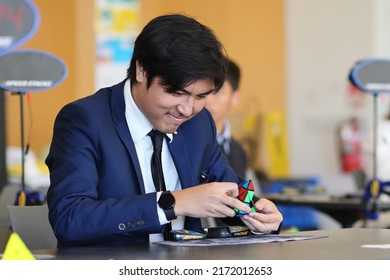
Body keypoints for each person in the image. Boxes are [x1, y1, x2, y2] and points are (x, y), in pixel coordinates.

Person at [45, 14, 283, 247]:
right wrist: (171, 203)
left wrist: (258, 210)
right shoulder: (85, 120)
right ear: (141, 70)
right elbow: (70, 219)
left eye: (200, 96)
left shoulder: (199, 123)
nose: (187, 109)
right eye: (176, 93)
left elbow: (229, 188)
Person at [205, 59, 248, 179]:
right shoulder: (185, 143)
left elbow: (243, 192)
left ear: (234, 97)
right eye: (204, 92)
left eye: (218, 92)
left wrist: (254, 198)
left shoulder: (239, 152)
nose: (207, 100)